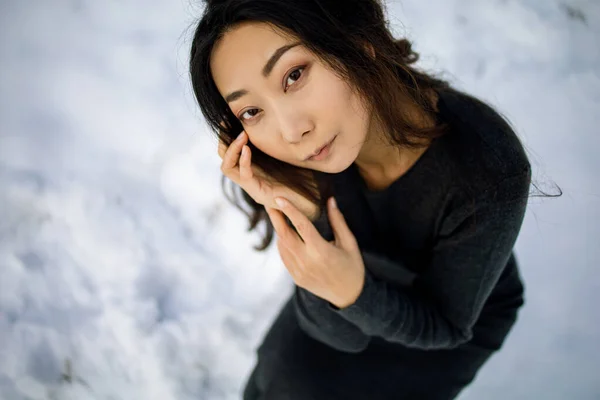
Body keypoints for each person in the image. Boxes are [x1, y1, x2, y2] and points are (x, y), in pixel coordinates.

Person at [189, 1, 536, 399]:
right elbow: (334, 332)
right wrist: (302, 209)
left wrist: (355, 293)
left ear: (358, 40)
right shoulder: (301, 162)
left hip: (447, 315)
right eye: (251, 110)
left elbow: (447, 325)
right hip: (363, 269)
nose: (292, 130)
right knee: (277, 369)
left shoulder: (488, 169)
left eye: (295, 75)